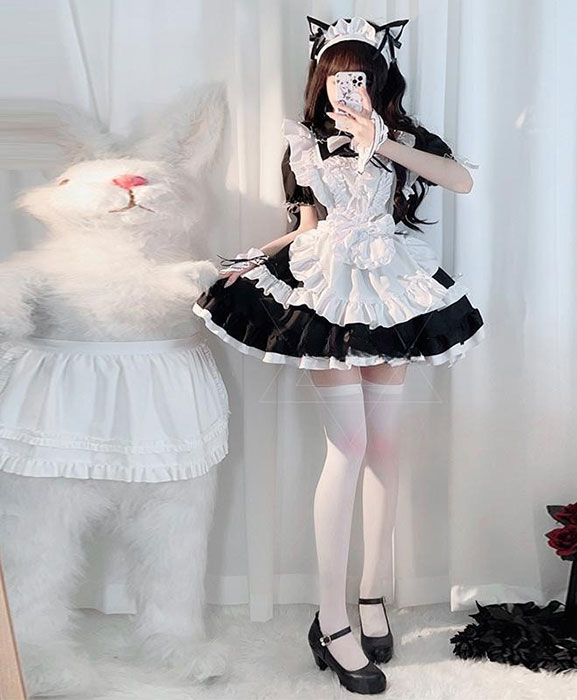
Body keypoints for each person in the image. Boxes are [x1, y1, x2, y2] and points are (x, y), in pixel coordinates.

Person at [193, 16, 485, 694]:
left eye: (358, 77)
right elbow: (306, 226)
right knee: (348, 445)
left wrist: (382, 140)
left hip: (392, 283)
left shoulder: (400, 137)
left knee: (384, 446)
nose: (344, 88)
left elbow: (461, 180)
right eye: (335, 76)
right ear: (319, 78)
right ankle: (331, 619)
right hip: (326, 284)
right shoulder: (304, 144)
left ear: (377, 81)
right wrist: (251, 258)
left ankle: (372, 593)